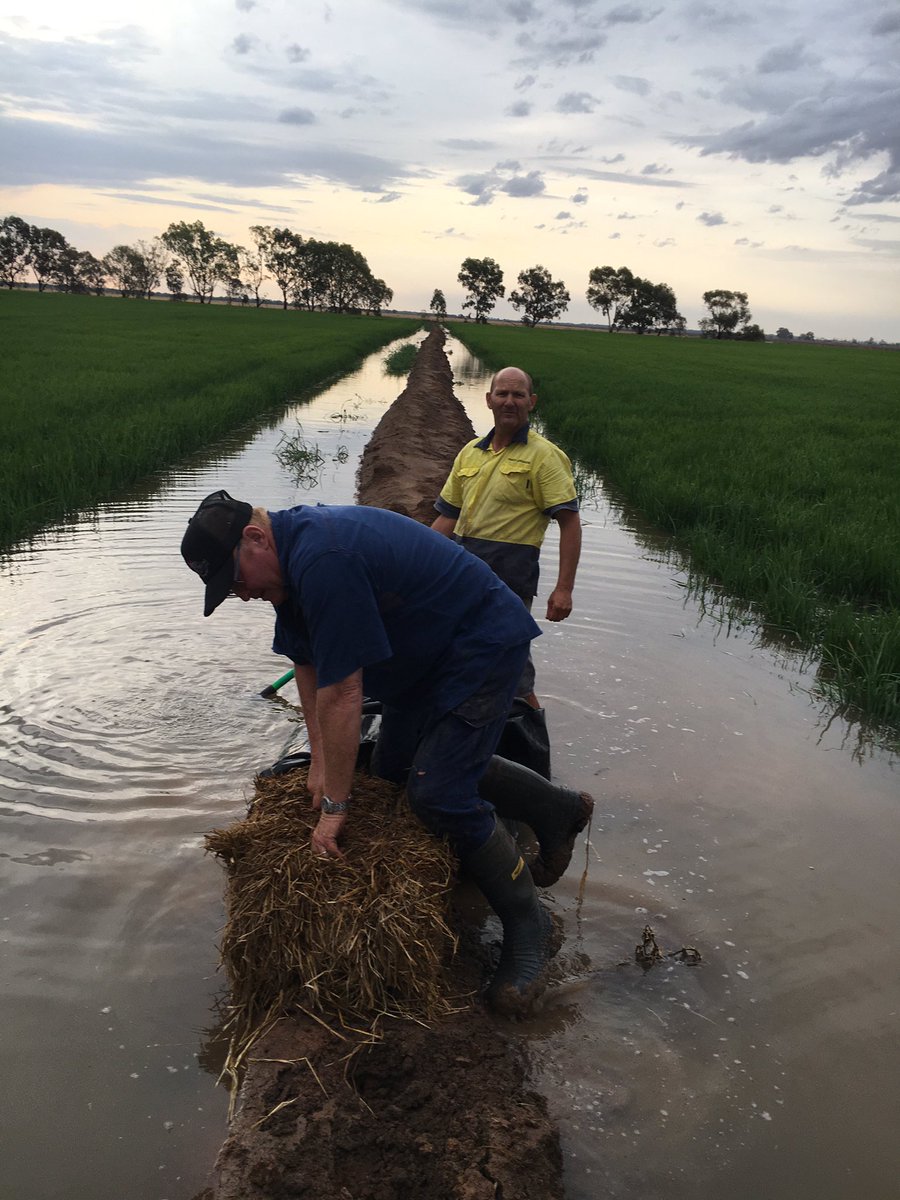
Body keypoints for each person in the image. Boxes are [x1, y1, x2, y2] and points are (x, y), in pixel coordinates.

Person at [181, 490, 593, 1016]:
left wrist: (334, 808)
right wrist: (325, 767)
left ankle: (528, 922)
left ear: (255, 537)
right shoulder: (288, 567)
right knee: (393, 768)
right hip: (421, 659)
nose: (238, 594)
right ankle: (557, 808)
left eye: (234, 578)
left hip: (478, 646)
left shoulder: (324, 558)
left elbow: (345, 692)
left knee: (437, 793)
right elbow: (308, 668)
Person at [432, 366, 581, 709]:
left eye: (518, 395)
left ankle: (530, 739)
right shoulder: (470, 452)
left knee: (510, 665)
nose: (509, 402)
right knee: (453, 653)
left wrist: (564, 589)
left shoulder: (544, 457)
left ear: (532, 402)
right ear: (489, 400)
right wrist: (414, 562)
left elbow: (569, 523)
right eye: (502, 394)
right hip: (461, 569)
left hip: (508, 575)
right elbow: (447, 517)